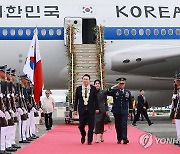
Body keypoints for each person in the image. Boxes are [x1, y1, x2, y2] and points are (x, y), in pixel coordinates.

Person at [74, 74, 99, 145]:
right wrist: (75, 109)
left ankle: (89, 140)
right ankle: (83, 134)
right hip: (82, 110)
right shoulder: (78, 89)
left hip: (91, 110)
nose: (85, 80)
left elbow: (96, 99)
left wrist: (97, 108)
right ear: (82, 80)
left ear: (89, 80)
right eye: (84, 79)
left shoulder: (93, 88)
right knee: (81, 126)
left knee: (91, 126)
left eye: (87, 79)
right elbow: (76, 100)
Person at [106, 77, 132, 144]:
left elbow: (130, 102)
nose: (122, 85)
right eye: (120, 84)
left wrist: (130, 111)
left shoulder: (127, 92)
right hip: (116, 111)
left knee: (123, 124)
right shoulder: (115, 91)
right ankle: (119, 138)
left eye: (123, 84)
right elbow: (107, 92)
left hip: (124, 111)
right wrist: (114, 86)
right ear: (118, 84)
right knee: (118, 125)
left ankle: (125, 138)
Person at [171, 76, 180, 147]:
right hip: (178, 114)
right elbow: (174, 104)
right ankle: (178, 139)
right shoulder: (176, 96)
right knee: (178, 128)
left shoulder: (177, 96)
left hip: (178, 113)